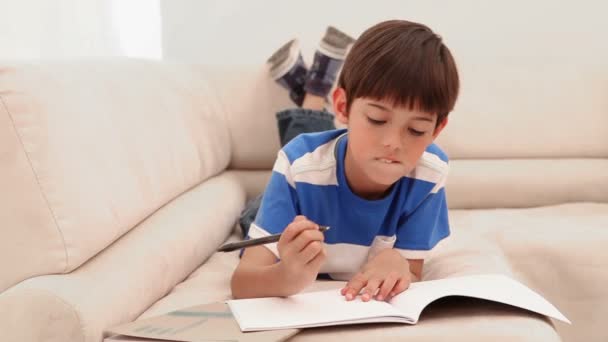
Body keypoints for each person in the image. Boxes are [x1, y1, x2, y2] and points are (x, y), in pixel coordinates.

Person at [231, 20, 460, 303]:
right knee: (300, 156)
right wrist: (287, 276)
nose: (394, 143)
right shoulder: (298, 166)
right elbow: (242, 282)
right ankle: (313, 92)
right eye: (377, 120)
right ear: (342, 106)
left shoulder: (429, 173)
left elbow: (411, 269)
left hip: (322, 172)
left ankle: (308, 89)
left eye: (416, 130)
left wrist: (398, 263)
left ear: (437, 130)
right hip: (279, 201)